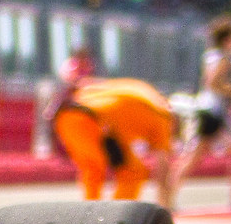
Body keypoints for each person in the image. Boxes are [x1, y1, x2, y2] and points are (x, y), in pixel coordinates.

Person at [53, 76, 182, 207]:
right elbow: (162, 166)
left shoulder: (144, 92)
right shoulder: (162, 115)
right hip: (90, 120)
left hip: (66, 117)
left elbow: (87, 87)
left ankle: (91, 210)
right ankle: (115, 213)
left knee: (94, 168)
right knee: (132, 171)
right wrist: (165, 203)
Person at [174, 15, 231, 211]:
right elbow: (214, 83)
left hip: (208, 110)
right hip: (214, 112)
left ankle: (168, 197)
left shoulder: (211, 55)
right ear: (228, 38)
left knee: (196, 156)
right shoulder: (223, 58)